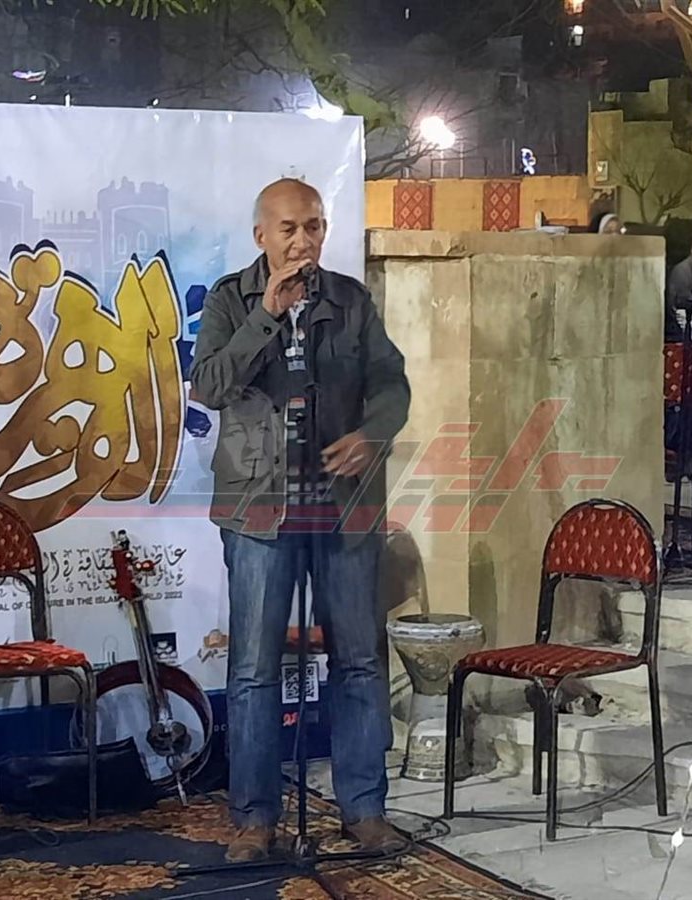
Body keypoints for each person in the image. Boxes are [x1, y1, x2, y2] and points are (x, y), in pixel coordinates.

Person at [191, 178, 411, 862]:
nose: (303, 240)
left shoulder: (350, 301)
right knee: (254, 670)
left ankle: (364, 810)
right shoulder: (230, 300)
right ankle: (254, 820)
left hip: (343, 509)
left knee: (358, 662)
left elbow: (391, 382)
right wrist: (266, 314)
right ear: (261, 235)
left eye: (313, 226)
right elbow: (210, 385)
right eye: (288, 228)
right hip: (260, 511)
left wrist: (373, 434)